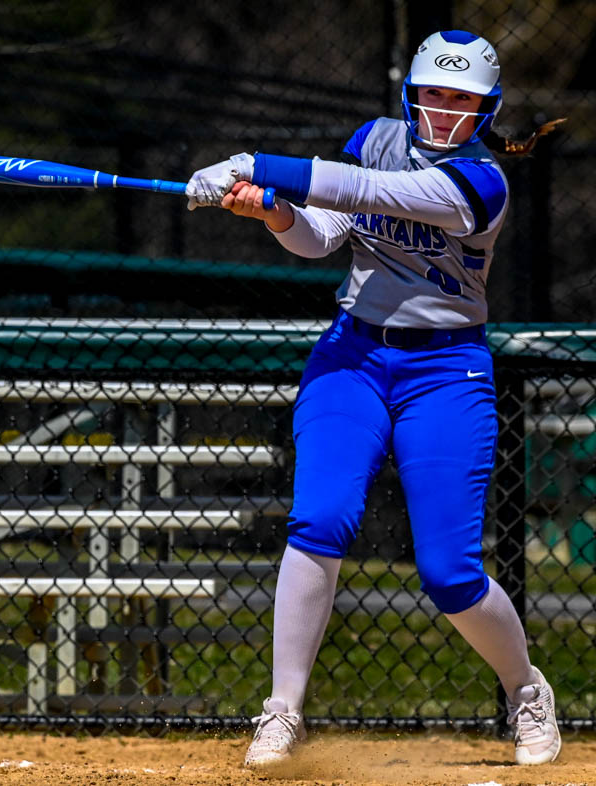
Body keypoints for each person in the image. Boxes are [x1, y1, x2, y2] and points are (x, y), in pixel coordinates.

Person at [186, 30, 565, 768]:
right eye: (432, 94)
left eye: (461, 99)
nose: (444, 111)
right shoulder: (376, 138)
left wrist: (254, 163)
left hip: (446, 370)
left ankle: (526, 692)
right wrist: (273, 211)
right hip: (352, 355)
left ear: (487, 109)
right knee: (320, 516)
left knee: (448, 572)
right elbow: (326, 233)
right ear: (409, 94)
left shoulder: (481, 181)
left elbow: (370, 193)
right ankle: (282, 710)